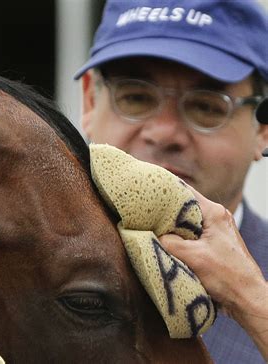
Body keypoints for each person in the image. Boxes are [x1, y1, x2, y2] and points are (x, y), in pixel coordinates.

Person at [74, 1, 268, 362]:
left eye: (207, 105)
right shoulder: (5, 264)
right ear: (89, 100)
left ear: (263, 129)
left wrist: (250, 298)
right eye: (135, 97)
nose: (164, 133)